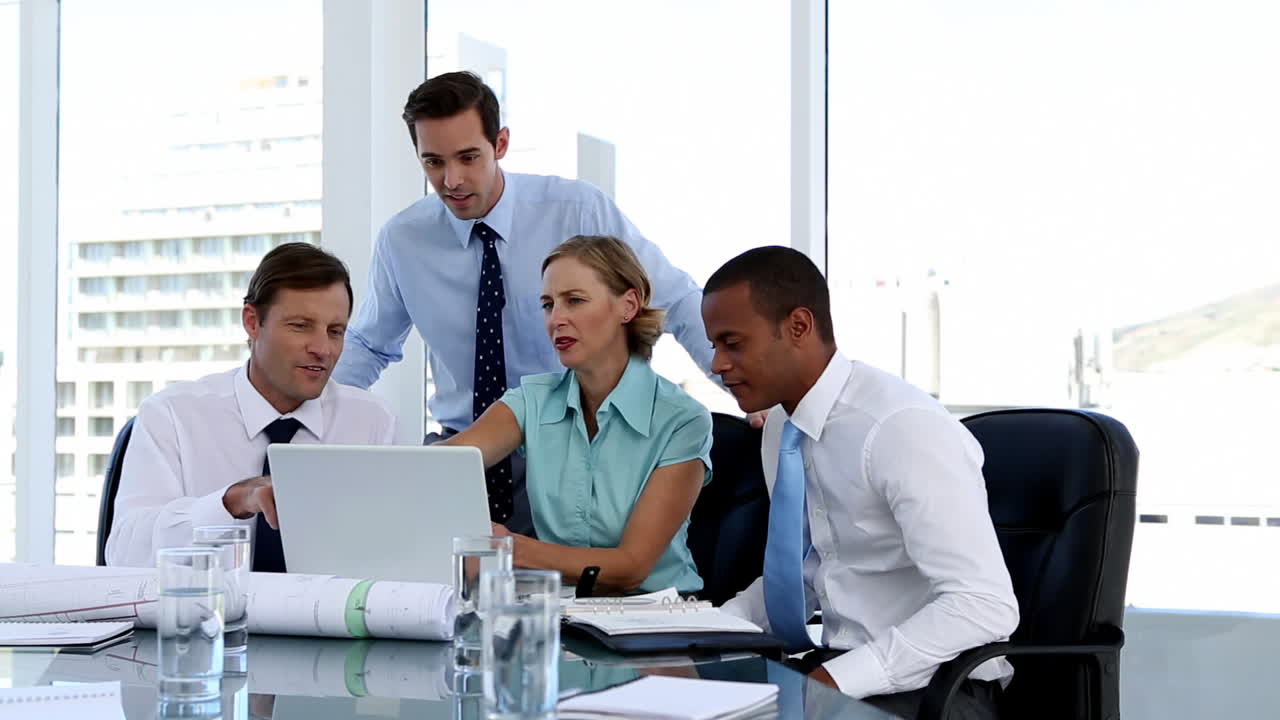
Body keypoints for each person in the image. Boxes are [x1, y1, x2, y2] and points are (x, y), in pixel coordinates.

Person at [331, 71, 735, 536]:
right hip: (465, 449)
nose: (452, 180)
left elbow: (676, 299)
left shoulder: (577, 211)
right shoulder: (403, 240)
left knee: (560, 593)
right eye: (433, 162)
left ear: (500, 143)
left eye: (468, 157)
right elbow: (369, 345)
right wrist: (308, 416)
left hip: (572, 449)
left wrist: (744, 390)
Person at [701, 246, 1019, 719]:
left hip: (937, 692)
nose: (717, 364)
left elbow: (983, 604)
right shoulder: (780, 432)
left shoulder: (898, 427)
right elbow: (806, 576)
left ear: (798, 327)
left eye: (733, 343)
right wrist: (703, 633)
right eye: (714, 345)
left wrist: (837, 679)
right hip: (837, 671)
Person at [441, 235, 711, 594]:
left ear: (628, 305)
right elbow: (440, 468)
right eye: (548, 305)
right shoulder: (532, 400)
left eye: (575, 301)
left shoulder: (682, 419)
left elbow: (630, 567)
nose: (556, 319)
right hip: (565, 615)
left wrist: (510, 549)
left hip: (656, 621)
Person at [105, 243, 397, 569]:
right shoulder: (172, 415)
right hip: (209, 616)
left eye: (335, 331)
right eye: (300, 326)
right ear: (252, 321)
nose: (322, 349)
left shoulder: (373, 423)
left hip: (330, 617)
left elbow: (398, 557)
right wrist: (228, 504)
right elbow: (125, 555)